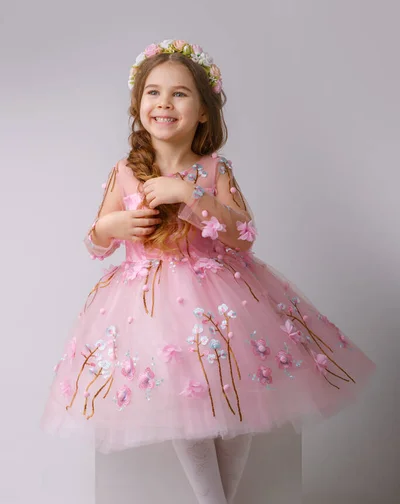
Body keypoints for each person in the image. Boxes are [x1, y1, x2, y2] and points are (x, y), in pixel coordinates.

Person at [41, 39, 376, 504]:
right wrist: (110, 225)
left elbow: (243, 233)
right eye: (153, 92)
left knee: (240, 397)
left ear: (202, 111)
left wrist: (192, 197)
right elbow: (95, 243)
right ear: (138, 106)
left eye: (179, 93)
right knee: (189, 403)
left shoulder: (215, 169)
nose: (164, 103)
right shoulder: (126, 171)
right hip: (149, 309)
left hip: (221, 297)